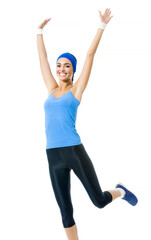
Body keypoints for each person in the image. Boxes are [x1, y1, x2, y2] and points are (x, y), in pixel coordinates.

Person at [36, 8, 138, 240]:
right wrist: (39, 32)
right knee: (65, 212)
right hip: (52, 155)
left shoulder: (76, 91)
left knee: (99, 202)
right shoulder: (51, 89)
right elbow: (42, 59)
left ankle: (120, 191)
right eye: (59, 65)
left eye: (67, 66)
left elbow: (90, 55)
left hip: (73, 151)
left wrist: (101, 27)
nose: (62, 69)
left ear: (73, 70)